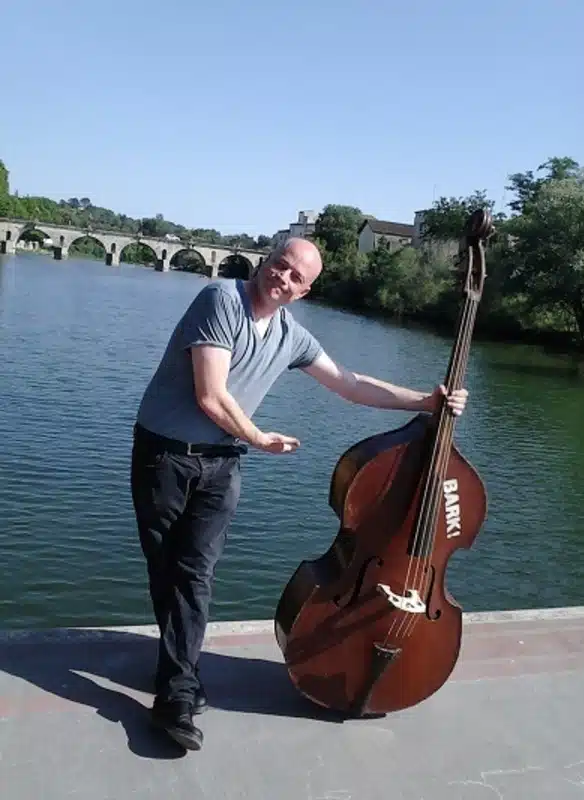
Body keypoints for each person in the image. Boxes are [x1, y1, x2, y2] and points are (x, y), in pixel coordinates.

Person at [130, 237, 468, 751]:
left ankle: (175, 691)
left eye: (295, 276)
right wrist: (259, 437)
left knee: (194, 571)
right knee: (168, 567)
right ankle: (179, 671)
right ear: (265, 262)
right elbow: (210, 394)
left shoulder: (290, 336)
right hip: (166, 456)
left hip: (221, 463)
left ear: (305, 291)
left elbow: (351, 384)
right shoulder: (221, 299)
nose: (281, 278)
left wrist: (427, 401)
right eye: (279, 265)